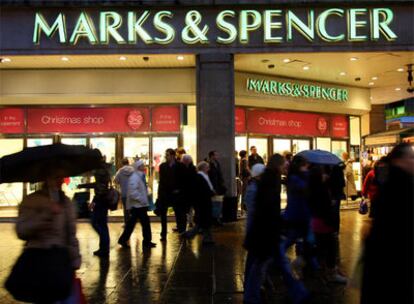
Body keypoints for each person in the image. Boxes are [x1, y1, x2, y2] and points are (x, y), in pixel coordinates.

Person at [361, 143, 414, 304]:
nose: (413, 161)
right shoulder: (402, 183)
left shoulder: (391, 180)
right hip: (394, 260)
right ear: (400, 160)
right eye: (411, 157)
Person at [15, 176, 81, 301]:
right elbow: (21, 230)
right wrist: (45, 216)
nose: (60, 180)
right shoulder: (31, 200)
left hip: (61, 260)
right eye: (56, 176)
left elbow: (71, 235)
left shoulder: (67, 202)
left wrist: (75, 260)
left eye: (62, 176)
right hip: (39, 261)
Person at [243, 154, 285, 304]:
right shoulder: (258, 187)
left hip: (258, 231)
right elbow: (258, 210)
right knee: (258, 263)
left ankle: (256, 288)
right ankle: (252, 294)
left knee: (257, 262)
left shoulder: (259, 185)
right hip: (260, 231)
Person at [308, 165, 347, 284]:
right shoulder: (321, 189)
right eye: (322, 173)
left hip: (316, 223)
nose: (326, 175)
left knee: (321, 248)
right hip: (324, 223)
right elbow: (325, 208)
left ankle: (324, 272)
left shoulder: (313, 188)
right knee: (330, 248)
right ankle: (331, 273)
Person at [118, 160, 156, 249]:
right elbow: (133, 192)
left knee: (133, 224)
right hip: (138, 205)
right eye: (142, 165)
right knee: (143, 223)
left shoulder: (138, 176)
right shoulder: (135, 177)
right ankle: (146, 241)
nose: (144, 167)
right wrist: (142, 199)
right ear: (139, 167)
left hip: (138, 205)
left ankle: (125, 239)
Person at [78, 159, 111, 258]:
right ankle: (104, 248)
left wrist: (94, 201)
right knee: (102, 225)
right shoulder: (104, 169)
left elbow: (99, 187)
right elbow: (99, 185)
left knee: (96, 223)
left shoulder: (99, 171)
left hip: (101, 201)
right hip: (103, 201)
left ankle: (104, 247)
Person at [156, 148, 186, 241]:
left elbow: (183, 180)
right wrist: (159, 194)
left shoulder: (180, 166)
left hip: (177, 194)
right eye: (166, 155)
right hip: (165, 194)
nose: (166, 157)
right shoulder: (162, 166)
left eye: (168, 155)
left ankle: (181, 231)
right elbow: (161, 181)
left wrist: (180, 190)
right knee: (163, 215)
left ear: (173, 156)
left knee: (179, 213)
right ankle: (163, 233)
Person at [192, 161, 216, 245]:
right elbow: (203, 190)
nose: (208, 169)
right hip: (203, 202)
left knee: (203, 221)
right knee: (204, 221)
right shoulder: (200, 177)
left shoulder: (203, 176)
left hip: (204, 202)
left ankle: (207, 238)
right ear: (203, 168)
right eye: (207, 167)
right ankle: (205, 239)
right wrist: (211, 192)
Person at [207, 150, 227, 225]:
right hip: (212, 186)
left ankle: (217, 219)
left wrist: (222, 183)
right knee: (213, 204)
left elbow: (219, 174)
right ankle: (213, 219)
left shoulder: (217, 163)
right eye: (215, 155)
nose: (217, 156)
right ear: (211, 156)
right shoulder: (209, 164)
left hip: (218, 186)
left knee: (218, 203)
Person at [114, 157, 134, 225]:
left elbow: (116, 181)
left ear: (122, 163)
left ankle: (127, 223)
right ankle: (132, 222)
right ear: (128, 163)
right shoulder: (133, 170)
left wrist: (121, 182)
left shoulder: (120, 171)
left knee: (126, 209)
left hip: (124, 193)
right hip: (133, 192)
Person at [181, 154, 197, 229]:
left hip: (190, 191)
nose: (186, 161)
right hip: (185, 191)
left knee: (190, 207)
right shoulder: (182, 168)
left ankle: (190, 221)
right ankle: (187, 221)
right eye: (185, 160)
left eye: (187, 160)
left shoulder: (193, 168)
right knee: (186, 208)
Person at [239, 150, 250, 214]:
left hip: (243, 177)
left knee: (243, 192)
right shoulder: (244, 160)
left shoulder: (241, 160)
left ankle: (243, 208)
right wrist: (251, 173)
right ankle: (244, 207)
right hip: (246, 177)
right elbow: (246, 168)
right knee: (245, 192)